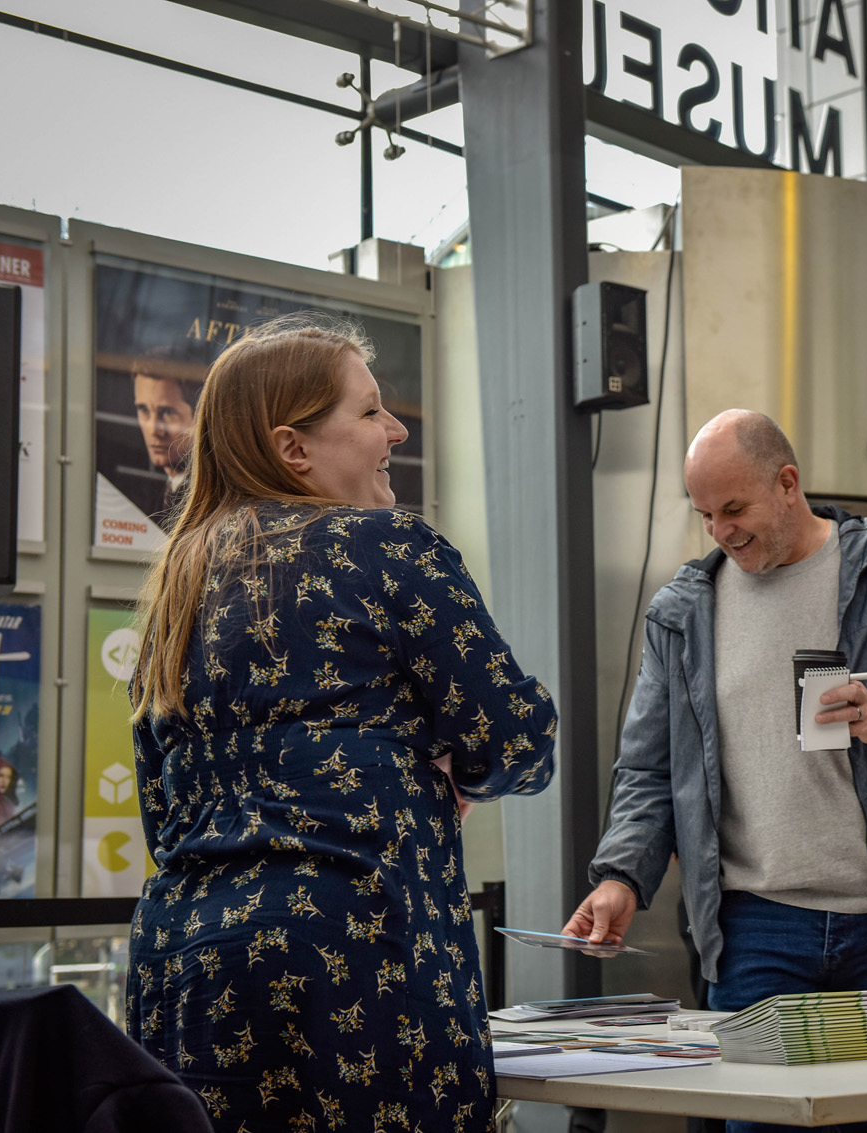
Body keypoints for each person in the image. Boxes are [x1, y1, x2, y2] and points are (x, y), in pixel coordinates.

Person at [125, 316, 557, 1133]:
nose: (395, 430)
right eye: (369, 412)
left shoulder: (176, 584)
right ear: (294, 448)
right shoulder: (388, 547)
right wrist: (450, 771)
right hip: (354, 964)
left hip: (189, 976)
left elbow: (162, 811)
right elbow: (514, 739)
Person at [563, 409, 867, 1133]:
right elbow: (647, 765)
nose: (721, 531)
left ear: (788, 482)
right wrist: (621, 876)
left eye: (734, 508)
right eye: (705, 514)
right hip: (754, 925)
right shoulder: (682, 613)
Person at [131, 355, 199, 523]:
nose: (154, 429)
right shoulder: (151, 489)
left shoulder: (208, 495)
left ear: (198, 417)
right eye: (144, 410)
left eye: (167, 412)